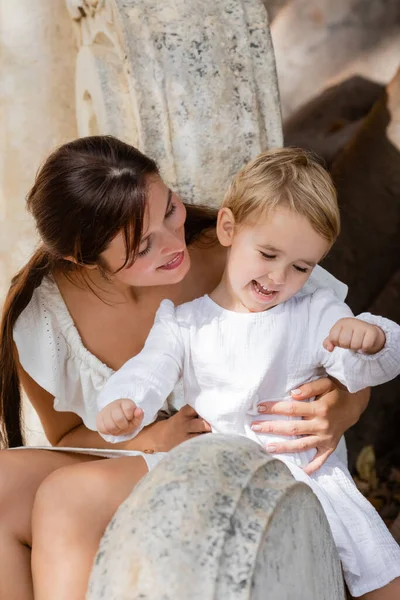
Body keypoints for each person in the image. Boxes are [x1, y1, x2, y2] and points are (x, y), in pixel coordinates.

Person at [0, 136, 369, 600]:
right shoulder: (44, 319)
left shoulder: (251, 257)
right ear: (81, 257)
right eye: (142, 246)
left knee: (67, 498)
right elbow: (68, 436)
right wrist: (153, 436)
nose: (174, 244)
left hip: (244, 448)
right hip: (143, 453)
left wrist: (345, 406)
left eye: (169, 210)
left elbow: (346, 352)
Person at [96, 147, 400, 599]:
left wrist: (371, 338)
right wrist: (126, 404)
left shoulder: (315, 312)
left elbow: (360, 368)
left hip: (307, 473)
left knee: (380, 570)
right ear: (228, 228)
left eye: (301, 267)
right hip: (223, 471)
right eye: (268, 254)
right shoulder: (185, 324)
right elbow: (149, 370)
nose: (278, 277)